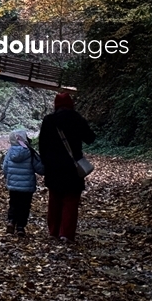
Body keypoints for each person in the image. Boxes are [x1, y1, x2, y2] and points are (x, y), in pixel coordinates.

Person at [38, 91, 95, 243]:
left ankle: (53, 231)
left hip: (53, 167)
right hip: (73, 167)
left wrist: (45, 162)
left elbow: (42, 144)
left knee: (55, 199)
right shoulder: (77, 119)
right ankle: (66, 234)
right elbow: (90, 138)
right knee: (71, 201)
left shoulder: (49, 120)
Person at [2, 128, 44, 236]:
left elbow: (5, 167)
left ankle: (11, 221)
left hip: (13, 186)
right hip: (27, 186)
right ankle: (20, 227)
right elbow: (39, 168)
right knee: (24, 206)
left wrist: (9, 178)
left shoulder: (10, 152)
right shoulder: (30, 152)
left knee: (13, 203)